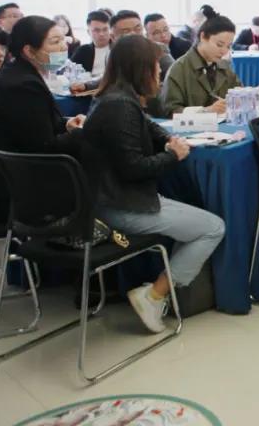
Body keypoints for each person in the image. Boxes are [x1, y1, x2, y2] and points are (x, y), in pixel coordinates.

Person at [83, 35, 225, 333]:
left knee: (198, 223)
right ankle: (154, 296)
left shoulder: (114, 99)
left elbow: (148, 126)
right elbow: (134, 168)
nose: (160, 73)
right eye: (156, 67)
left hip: (113, 199)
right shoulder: (120, 107)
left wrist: (168, 139)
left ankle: (160, 294)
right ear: (141, 69)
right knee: (213, 228)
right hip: (122, 207)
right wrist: (173, 155)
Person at [0, 17, 86, 223]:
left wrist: (66, 124)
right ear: (29, 51)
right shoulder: (22, 85)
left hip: (14, 174)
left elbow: (35, 124)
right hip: (10, 189)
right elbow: (43, 148)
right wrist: (80, 133)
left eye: (63, 40)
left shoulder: (20, 74)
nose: (63, 47)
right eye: (54, 42)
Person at [161, 6, 241, 115]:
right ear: (203, 37)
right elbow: (170, 110)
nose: (224, 51)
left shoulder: (224, 65)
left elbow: (238, 91)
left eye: (228, 46)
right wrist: (206, 111)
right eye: (219, 45)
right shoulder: (179, 69)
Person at [71, 10, 113, 78]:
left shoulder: (118, 49)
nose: (101, 34)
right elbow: (71, 73)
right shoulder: (83, 51)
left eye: (105, 29)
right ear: (88, 32)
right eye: (96, 30)